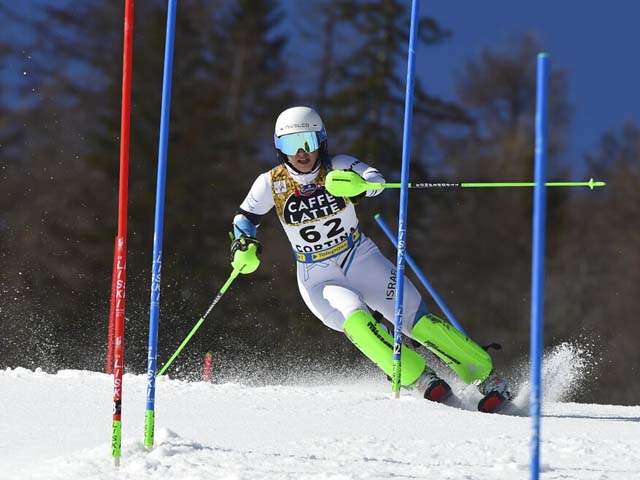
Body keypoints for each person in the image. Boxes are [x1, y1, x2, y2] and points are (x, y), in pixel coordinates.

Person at [229, 106, 512, 412]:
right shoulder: (271, 183)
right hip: (319, 274)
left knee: (417, 322)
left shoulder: (337, 165)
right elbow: (244, 217)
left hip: (359, 256)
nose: (300, 152)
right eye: (290, 144)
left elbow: (374, 178)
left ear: (321, 141)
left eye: (308, 142)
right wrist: (243, 243)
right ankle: (420, 379)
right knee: (359, 324)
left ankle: (488, 378)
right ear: (278, 148)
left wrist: (360, 186)